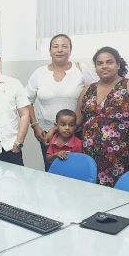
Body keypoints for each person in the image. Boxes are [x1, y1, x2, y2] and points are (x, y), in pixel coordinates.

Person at [77, 46, 129, 187]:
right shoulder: (88, 89)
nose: (104, 66)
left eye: (109, 62)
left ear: (118, 65)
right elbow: (77, 120)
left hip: (121, 158)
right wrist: (54, 130)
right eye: (100, 63)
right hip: (90, 157)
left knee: (120, 198)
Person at [26, 34, 98, 170]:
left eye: (64, 46)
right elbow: (27, 101)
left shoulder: (80, 69)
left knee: (76, 171)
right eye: (55, 46)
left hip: (76, 132)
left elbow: (93, 95)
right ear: (50, 51)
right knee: (52, 169)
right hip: (47, 134)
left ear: (70, 50)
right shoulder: (39, 73)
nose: (60, 50)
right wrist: (35, 126)